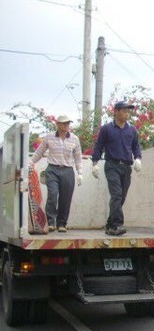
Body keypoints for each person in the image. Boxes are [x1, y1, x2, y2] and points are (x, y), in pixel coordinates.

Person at [91, 101, 142, 236]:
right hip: (112, 165)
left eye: (128, 112)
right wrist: (95, 163)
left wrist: (137, 158)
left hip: (126, 167)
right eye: (124, 111)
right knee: (117, 194)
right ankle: (117, 224)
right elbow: (99, 146)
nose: (127, 114)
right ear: (116, 112)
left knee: (121, 197)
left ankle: (110, 224)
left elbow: (136, 146)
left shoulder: (132, 130)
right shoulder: (107, 129)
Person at [29, 115, 83, 232]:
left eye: (68, 123)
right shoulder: (49, 137)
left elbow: (78, 157)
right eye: (64, 123)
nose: (66, 125)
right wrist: (31, 163)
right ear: (58, 124)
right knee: (53, 194)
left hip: (68, 170)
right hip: (52, 169)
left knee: (65, 198)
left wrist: (80, 173)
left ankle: (62, 223)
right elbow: (39, 152)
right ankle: (51, 221)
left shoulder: (75, 139)